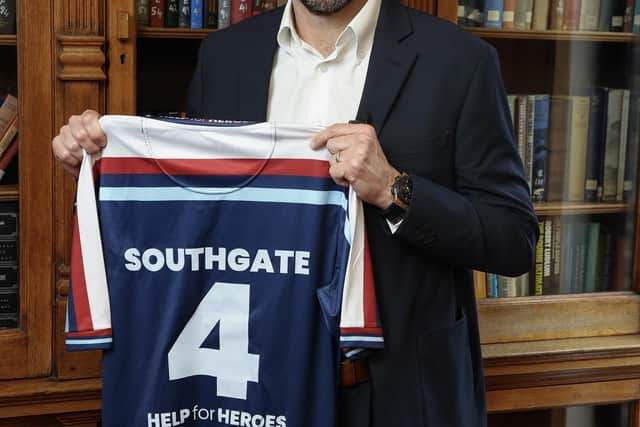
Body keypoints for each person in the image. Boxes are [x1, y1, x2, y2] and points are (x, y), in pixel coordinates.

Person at [51, 0, 539, 424]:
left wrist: (395, 188)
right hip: (253, 391)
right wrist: (101, 167)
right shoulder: (224, 56)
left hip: (393, 393)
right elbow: (197, 217)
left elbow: (513, 239)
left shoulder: (461, 61)